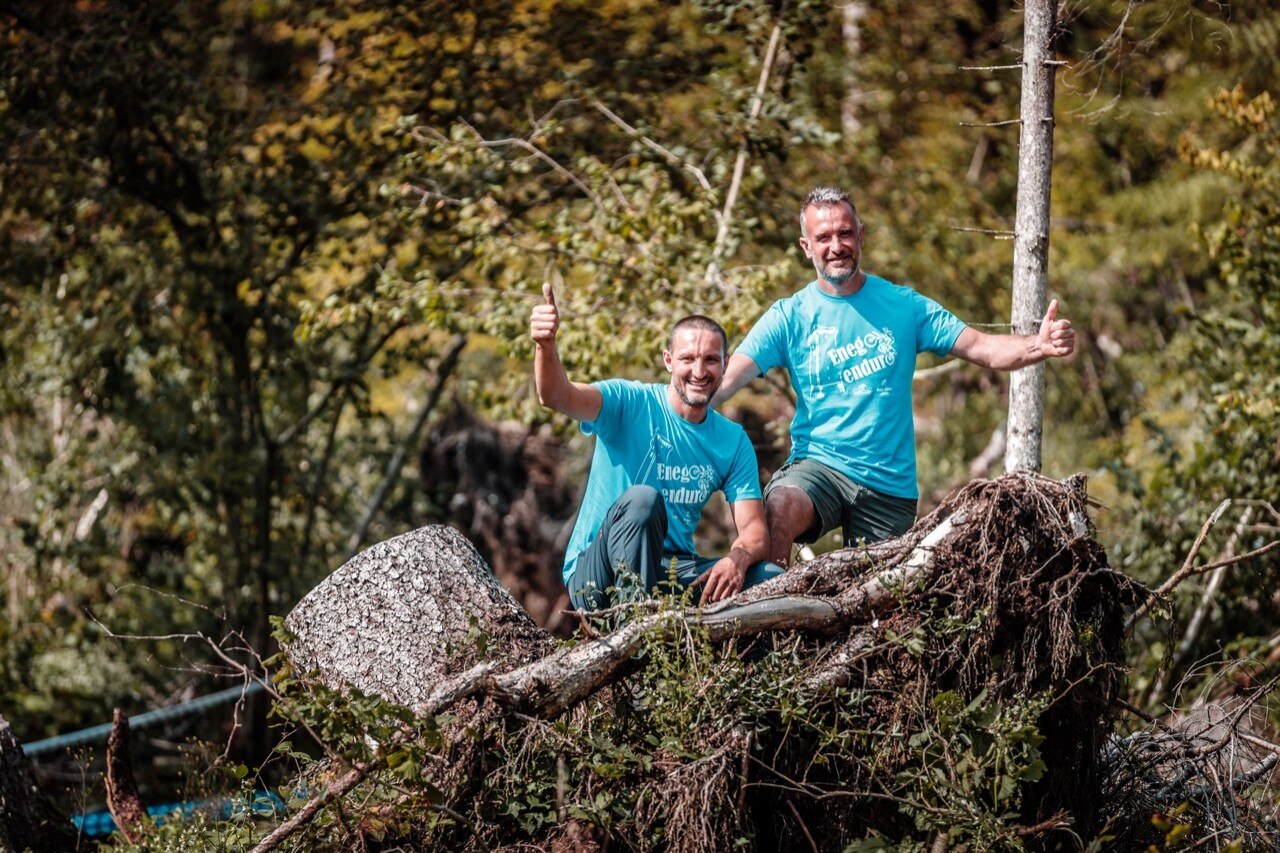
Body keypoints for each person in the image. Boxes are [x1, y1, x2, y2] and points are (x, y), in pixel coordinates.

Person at [713, 186, 1076, 566]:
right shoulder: (790, 316)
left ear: (861, 235)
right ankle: (771, 617)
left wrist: (1039, 344)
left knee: (880, 602)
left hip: (888, 486)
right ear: (807, 247)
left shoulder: (905, 306)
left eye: (845, 233)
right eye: (823, 237)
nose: (836, 245)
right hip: (819, 467)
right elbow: (725, 381)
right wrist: (668, 407)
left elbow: (982, 348)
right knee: (780, 505)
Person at [530, 283, 780, 611]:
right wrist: (545, 346)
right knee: (643, 500)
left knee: (770, 577)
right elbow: (556, 396)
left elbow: (754, 531)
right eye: (688, 359)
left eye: (710, 360)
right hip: (597, 579)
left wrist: (737, 558)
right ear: (668, 361)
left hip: (671, 573)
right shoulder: (627, 402)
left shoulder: (731, 440)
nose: (699, 371)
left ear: (725, 363)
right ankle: (634, 640)